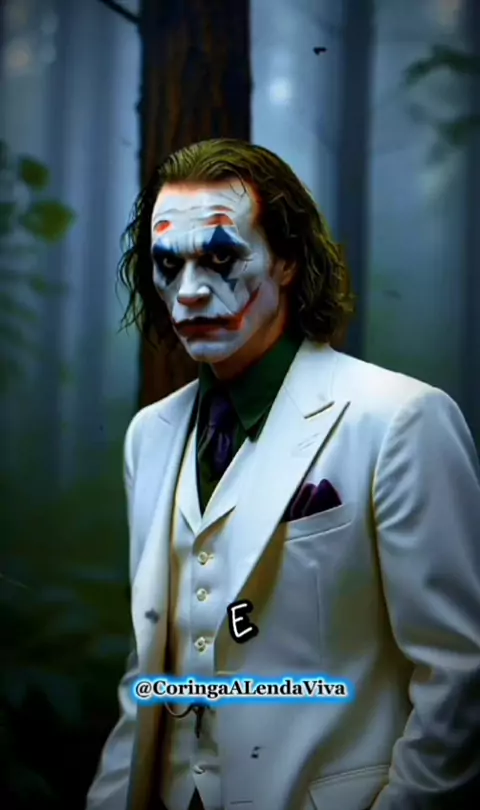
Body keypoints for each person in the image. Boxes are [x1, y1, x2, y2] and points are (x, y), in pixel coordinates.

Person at [86, 139, 480, 810]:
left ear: (288, 260)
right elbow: (150, 663)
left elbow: (460, 674)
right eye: (168, 263)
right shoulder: (149, 436)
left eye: (221, 258)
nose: (190, 292)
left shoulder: (399, 418)